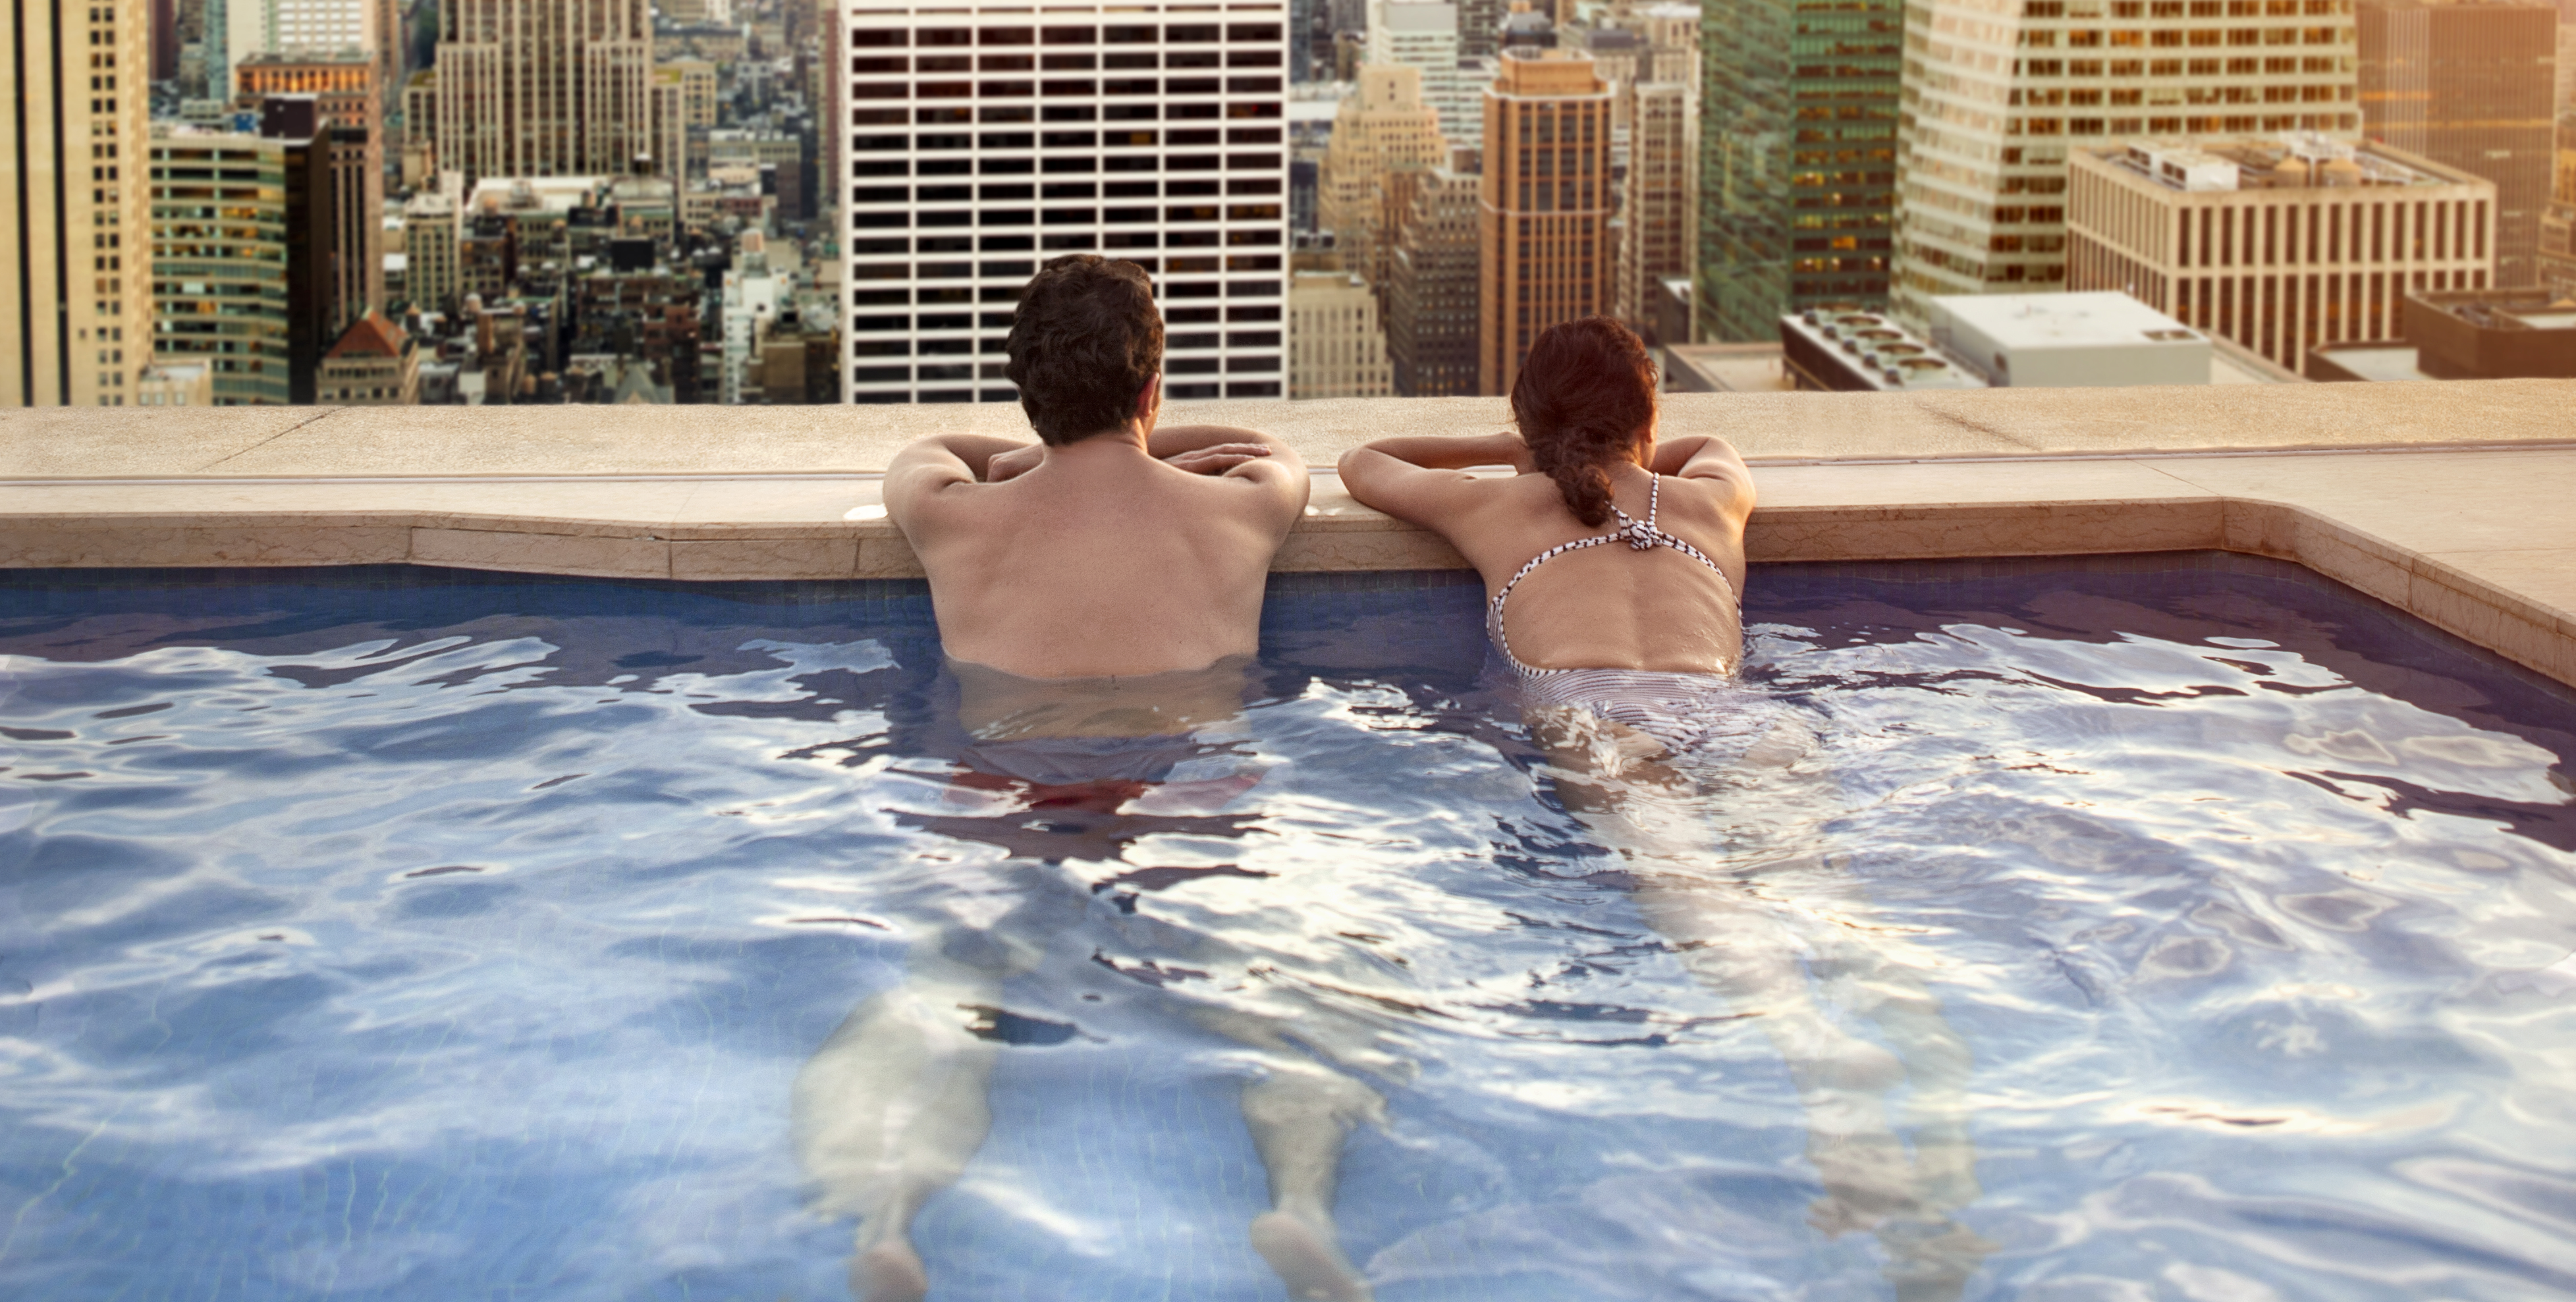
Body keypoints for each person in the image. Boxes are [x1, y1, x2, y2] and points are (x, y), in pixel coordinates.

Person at [1341, 318, 1985, 1299]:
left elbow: (1363, 461)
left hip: (1600, 719)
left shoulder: (1503, 511)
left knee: (1701, 902)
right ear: (1648, 419)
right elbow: (1712, 445)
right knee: (1829, 903)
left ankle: (1815, 1057)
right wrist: (1615, 448)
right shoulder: (1710, 499)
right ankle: (1938, 1144)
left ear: (1530, 426)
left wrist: (1521, 453)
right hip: (1737, 716)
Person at [796, 255, 1389, 1302]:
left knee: (944, 998)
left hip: (1003, 803)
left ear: (1028, 399)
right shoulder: (1242, 510)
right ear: (1153, 387)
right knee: (1292, 1009)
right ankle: (1299, 1206)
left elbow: (925, 451)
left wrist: (1029, 456)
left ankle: (892, 1220)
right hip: (1185, 803)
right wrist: (1149, 444)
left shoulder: (953, 515)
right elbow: (1271, 453)